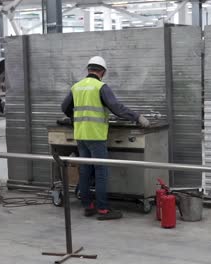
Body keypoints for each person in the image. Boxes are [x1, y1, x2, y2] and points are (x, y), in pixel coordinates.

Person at [61, 56, 150, 220]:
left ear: (88, 69)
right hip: (95, 135)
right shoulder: (101, 87)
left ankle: (88, 205)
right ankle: (103, 208)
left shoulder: (76, 87)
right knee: (101, 171)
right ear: (102, 72)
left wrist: (75, 118)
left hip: (81, 135)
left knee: (86, 170)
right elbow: (116, 108)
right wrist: (137, 117)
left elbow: (64, 107)